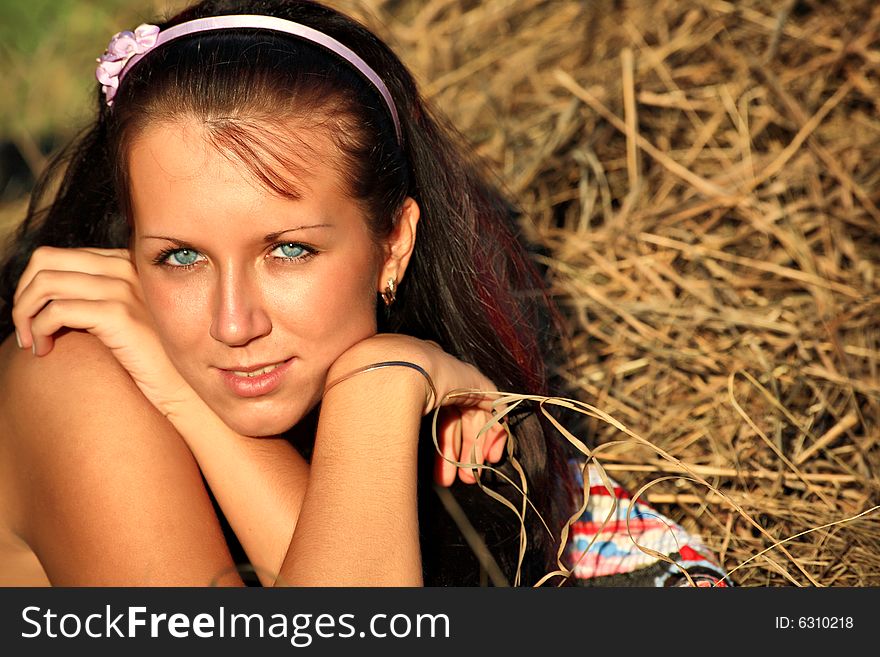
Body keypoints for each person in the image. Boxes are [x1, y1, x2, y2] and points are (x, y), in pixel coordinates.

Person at [0, 0, 727, 587]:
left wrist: (196, 393)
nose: (233, 322)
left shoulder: (425, 414)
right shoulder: (68, 374)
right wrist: (378, 388)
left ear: (393, 246)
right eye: (181, 256)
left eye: (289, 249)